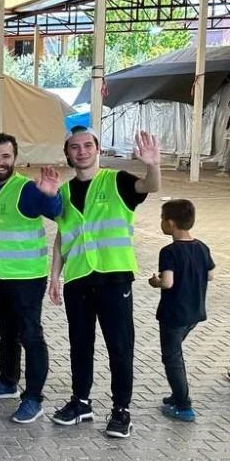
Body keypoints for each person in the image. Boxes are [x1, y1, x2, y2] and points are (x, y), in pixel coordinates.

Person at [49, 129, 160, 438]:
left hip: (114, 277)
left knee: (120, 346)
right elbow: (62, 236)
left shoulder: (118, 181)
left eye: (87, 145)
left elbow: (150, 185)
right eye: (75, 147)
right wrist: (54, 275)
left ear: (97, 149)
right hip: (78, 279)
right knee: (79, 345)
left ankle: (121, 410)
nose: (81, 151)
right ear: (68, 154)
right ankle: (81, 402)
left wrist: (153, 164)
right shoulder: (65, 192)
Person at [0, 133, 63, 425]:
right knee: (7, 332)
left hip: (26, 278)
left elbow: (54, 211)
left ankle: (33, 398)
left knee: (30, 336)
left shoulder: (26, 189)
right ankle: (7, 382)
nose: (0, 162)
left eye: (5, 156)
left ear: (15, 157)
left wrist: (51, 195)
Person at [148, 199, 213, 423]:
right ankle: (177, 395)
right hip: (195, 312)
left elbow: (167, 282)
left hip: (174, 313)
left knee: (172, 357)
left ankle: (184, 405)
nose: (161, 223)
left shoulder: (169, 251)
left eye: (162, 219)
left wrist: (155, 281)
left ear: (171, 223)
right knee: (176, 353)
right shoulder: (202, 247)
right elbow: (211, 274)